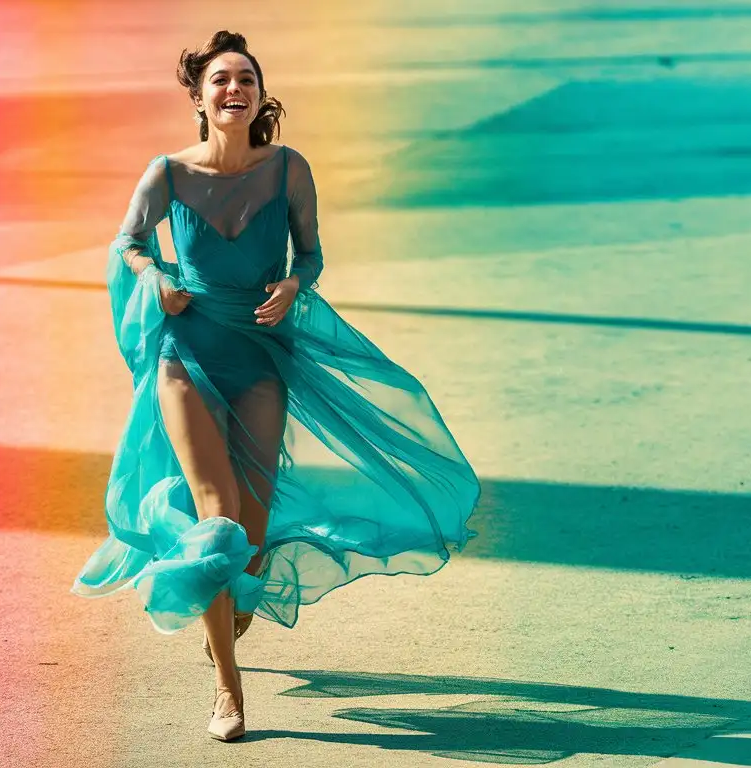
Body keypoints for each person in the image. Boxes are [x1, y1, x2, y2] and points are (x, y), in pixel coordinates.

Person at [71, 30, 480, 742]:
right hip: (187, 350)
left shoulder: (289, 169)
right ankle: (228, 693)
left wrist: (295, 282)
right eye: (221, 80)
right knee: (218, 518)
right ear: (199, 98)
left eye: (246, 81)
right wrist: (156, 277)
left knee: (250, 542)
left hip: (261, 354)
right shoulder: (166, 174)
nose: (235, 90)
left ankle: (226, 619)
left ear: (260, 97)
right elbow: (127, 242)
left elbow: (312, 253)